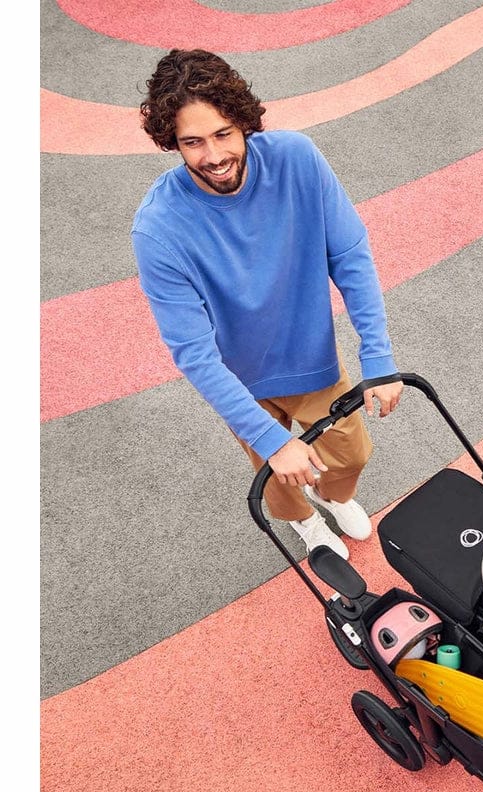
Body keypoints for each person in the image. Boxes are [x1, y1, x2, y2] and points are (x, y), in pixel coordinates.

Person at [131, 49, 403, 560]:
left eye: (223, 134)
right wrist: (272, 442)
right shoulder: (158, 229)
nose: (213, 155)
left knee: (350, 454)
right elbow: (194, 353)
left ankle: (331, 497)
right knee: (277, 473)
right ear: (172, 140)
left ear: (243, 121)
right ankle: (304, 522)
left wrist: (378, 356)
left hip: (311, 357)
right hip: (240, 381)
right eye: (192, 142)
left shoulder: (296, 159)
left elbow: (349, 256)